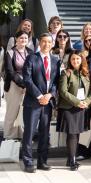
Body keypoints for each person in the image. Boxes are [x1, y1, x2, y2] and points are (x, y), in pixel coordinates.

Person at [21, 33, 60, 173]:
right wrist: (39, 95)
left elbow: (56, 82)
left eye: (49, 42)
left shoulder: (55, 60)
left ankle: (42, 161)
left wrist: (49, 95)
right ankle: (28, 162)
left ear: (52, 44)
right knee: (29, 133)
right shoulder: (31, 58)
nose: (46, 44)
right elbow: (27, 79)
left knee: (45, 133)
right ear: (40, 43)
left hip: (47, 103)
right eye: (43, 42)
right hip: (33, 102)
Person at [57, 50, 91, 170]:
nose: (75, 61)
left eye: (78, 59)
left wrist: (86, 102)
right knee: (71, 134)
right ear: (70, 60)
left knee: (76, 134)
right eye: (73, 59)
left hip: (82, 107)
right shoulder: (65, 73)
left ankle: (70, 158)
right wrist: (77, 102)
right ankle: (72, 160)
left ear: (82, 60)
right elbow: (63, 91)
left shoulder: (86, 73)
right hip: (69, 108)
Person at [3, 30, 32, 139]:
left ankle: (21, 135)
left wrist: (28, 84)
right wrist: (23, 84)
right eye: (21, 38)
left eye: (25, 38)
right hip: (14, 85)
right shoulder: (10, 53)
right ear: (16, 39)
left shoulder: (30, 52)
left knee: (23, 112)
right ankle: (8, 135)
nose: (23, 40)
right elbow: (10, 72)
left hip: (28, 85)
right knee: (12, 111)